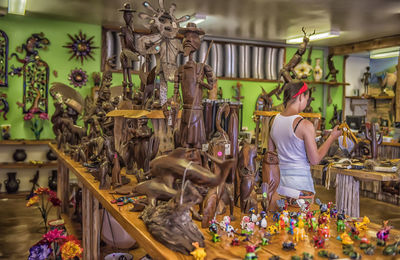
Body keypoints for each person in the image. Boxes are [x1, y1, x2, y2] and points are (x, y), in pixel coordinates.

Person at [267, 81, 342, 207]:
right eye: (307, 99)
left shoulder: (273, 121)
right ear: (301, 96)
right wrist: (332, 137)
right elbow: (315, 159)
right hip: (300, 187)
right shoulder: (305, 125)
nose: (307, 103)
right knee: (302, 224)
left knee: (282, 223)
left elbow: (271, 154)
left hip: (279, 184)